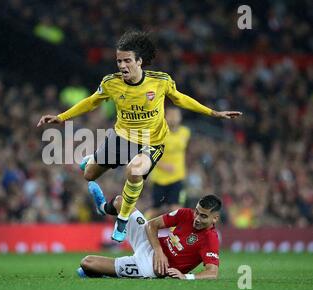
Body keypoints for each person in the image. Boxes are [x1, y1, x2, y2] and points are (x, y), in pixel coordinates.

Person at [37, 31, 241, 243]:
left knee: (134, 171)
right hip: (122, 138)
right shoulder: (111, 83)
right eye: (119, 61)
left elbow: (180, 99)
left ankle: (122, 219)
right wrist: (62, 117)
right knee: (89, 175)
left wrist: (213, 113)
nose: (122, 65)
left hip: (152, 142)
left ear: (139, 61)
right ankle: (100, 193)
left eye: (127, 60)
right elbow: (91, 101)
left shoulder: (160, 81)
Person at [76, 181, 220, 280]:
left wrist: (186, 276)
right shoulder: (185, 214)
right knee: (121, 202)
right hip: (150, 243)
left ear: (215, 219)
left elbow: (212, 272)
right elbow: (151, 225)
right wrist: (159, 251)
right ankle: (102, 208)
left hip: (148, 266)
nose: (197, 218)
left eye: (203, 216)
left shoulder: (210, 238)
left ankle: (108, 272)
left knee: (87, 262)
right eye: (197, 212)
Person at [145, 108, 190, 219]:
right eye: (171, 115)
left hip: (177, 178)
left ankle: (175, 235)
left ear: (180, 118)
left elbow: (184, 152)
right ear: (166, 117)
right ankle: (141, 228)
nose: (174, 117)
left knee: (176, 208)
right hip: (159, 178)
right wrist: (163, 166)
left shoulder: (185, 132)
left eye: (176, 115)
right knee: (155, 209)